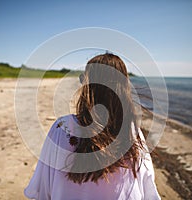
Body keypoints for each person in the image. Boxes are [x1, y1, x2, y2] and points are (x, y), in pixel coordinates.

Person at [24, 53, 161, 200]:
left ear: (87, 86)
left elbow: (42, 189)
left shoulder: (61, 128)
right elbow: (148, 191)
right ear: (124, 88)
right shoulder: (132, 133)